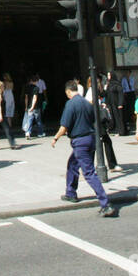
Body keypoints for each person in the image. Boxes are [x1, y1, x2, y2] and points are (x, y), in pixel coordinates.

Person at [53, 80, 115, 216]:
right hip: (90, 138)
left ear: (69, 91)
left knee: (89, 173)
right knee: (72, 165)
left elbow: (64, 127)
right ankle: (70, 192)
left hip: (79, 141)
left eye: (67, 94)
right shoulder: (87, 103)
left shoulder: (70, 104)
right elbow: (93, 119)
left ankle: (105, 203)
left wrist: (55, 138)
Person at [104, 71, 125, 137]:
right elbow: (106, 94)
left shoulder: (117, 84)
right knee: (114, 117)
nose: (108, 77)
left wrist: (120, 103)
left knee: (119, 117)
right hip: (111, 104)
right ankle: (116, 130)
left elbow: (120, 93)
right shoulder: (109, 84)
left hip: (117, 104)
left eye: (109, 75)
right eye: (108, 76)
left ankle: (121, 131)